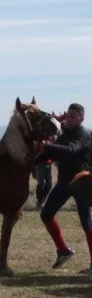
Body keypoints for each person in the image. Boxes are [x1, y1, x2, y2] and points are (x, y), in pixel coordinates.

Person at [35, 103, 92, 272]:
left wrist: (46, 145)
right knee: (46, 214)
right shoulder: (64, 134)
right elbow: (52, 153)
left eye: (74, 116)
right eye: (68, 116)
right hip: (64, 183)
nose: (70, 119)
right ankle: (63, 251)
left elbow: (71, 150)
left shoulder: (85, 135)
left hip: (82, 184)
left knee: (87, 223)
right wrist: (32, 160)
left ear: (82, 118)